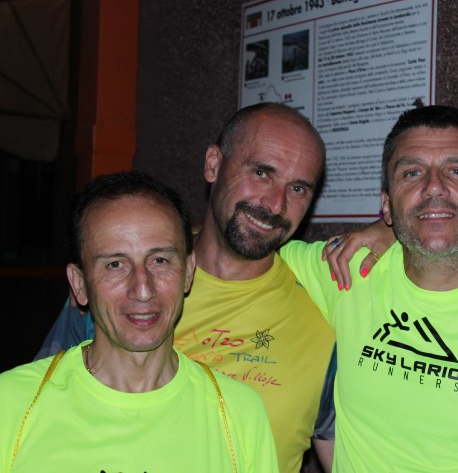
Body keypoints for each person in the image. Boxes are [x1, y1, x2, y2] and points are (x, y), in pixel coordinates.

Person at [35, 103, 336, 473]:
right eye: (261, 173)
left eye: (298, 188)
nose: (275, 204)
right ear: (213, 164)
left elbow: (344, 451)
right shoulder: (126, 285)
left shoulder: (325, 309)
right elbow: (39, 420)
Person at [278, 105, 458, 471]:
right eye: (412, 173)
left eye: (457, 171)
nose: (434, 186)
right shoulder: (346, 267)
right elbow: (229, 248)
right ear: (387, 206)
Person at [0, 171, 278, 472]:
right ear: (79, 284)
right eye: (115, 265)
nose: (143, 290)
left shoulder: (239, 413)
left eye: (160, 260)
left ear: (188, 272)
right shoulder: (11, 404)